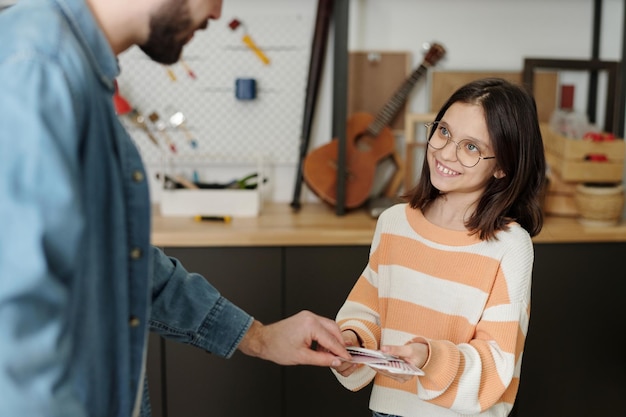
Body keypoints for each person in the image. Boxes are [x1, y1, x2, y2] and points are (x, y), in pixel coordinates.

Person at [0, 0, 350, 416]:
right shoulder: (36, 67)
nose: (219, 13)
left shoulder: (76, 70)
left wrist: (259, 337)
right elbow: (17, 333)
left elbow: (127, 264)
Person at [331, 78, 546, 417]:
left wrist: (431, 359)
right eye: (444, 131)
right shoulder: (393, 223)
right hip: (386, 410)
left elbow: (498, 358)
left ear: (503, 166)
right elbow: (369, 309)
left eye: (471, 147)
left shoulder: (510, 246)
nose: (446, 153)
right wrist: (353, 342)